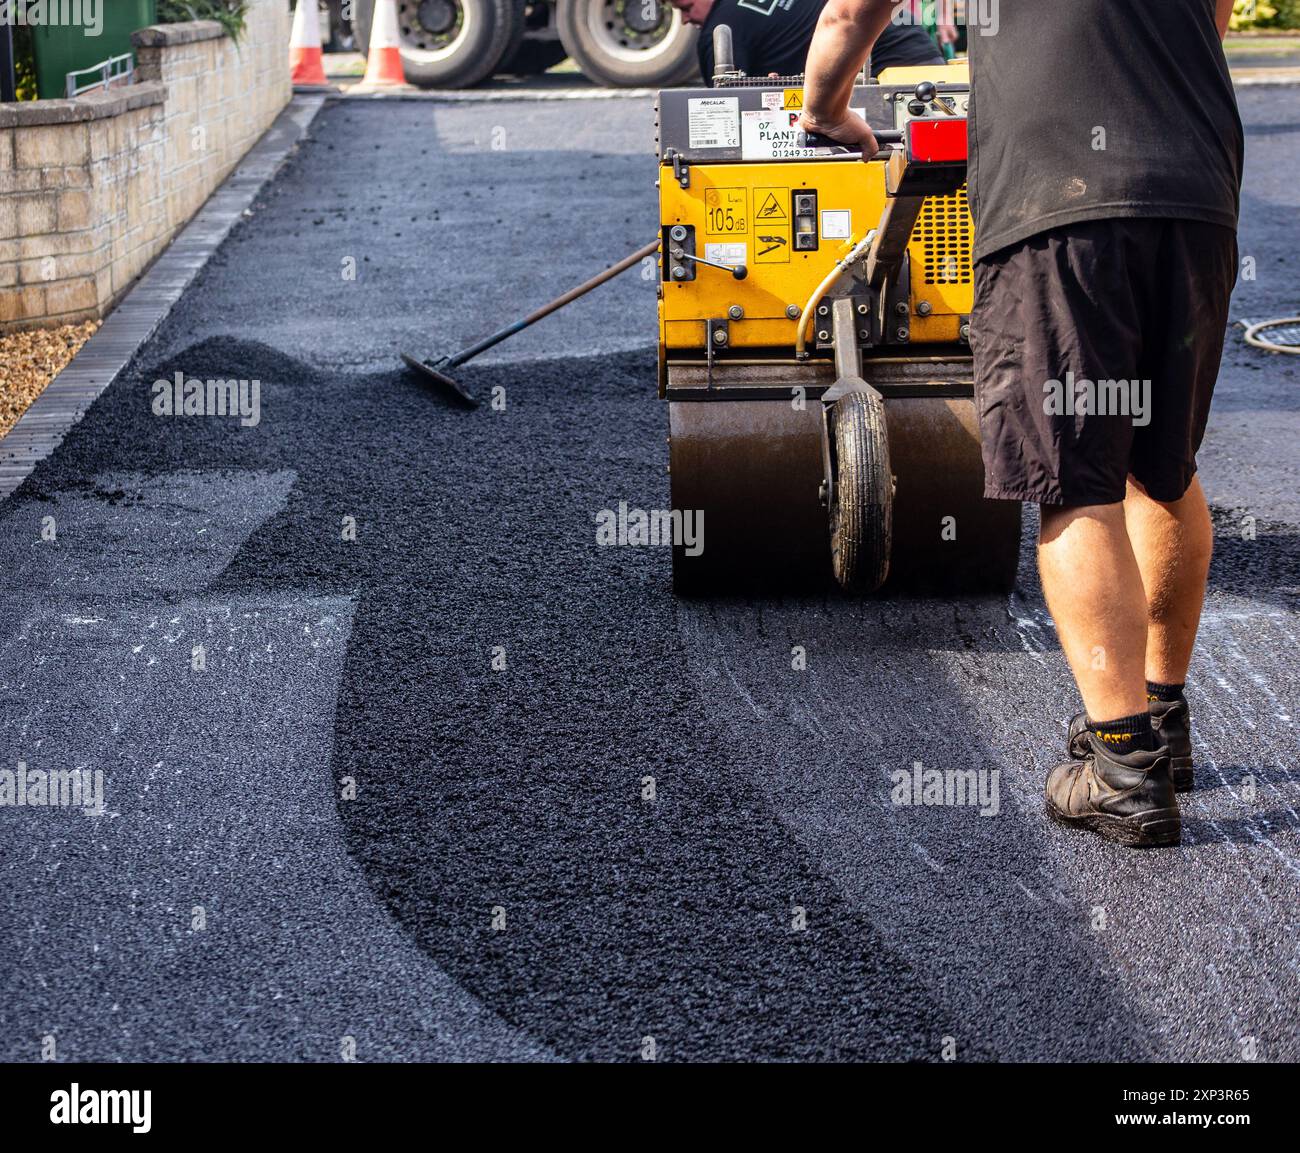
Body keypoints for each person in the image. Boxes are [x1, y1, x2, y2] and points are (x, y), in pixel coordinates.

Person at [799, 0, 1242, 849]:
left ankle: (1121, 770)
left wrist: (824, 113)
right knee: (1165, 465)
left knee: (1073, 480)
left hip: (1057, 196)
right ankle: (1162, 720)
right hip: (1196, 185)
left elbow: (852, 10)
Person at [669, 0, 944, 83]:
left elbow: (725, 111)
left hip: (889, 73)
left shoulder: (717, 30)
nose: (684, 19)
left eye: (686, 7)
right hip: (923, 57)